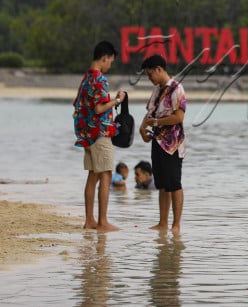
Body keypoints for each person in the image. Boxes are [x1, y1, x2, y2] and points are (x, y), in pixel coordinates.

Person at [73, 40, 126, 231]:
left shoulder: (86, 78)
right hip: (100, 134)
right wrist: (117, 100)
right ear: (104, 58)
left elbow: (78, 104)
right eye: (110, 61)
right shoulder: (100, 79)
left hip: (86, 134)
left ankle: (89, 221)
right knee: (106, 174)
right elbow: (99, 107)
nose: (110, 65)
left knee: (93, 175)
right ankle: (103, 221)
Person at [138, 54, 187, 234]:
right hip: (157, 141)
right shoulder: (157, 90)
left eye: (150, 74)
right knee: (162, 184)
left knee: (174, 182)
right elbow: (150, 113)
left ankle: (176, 224)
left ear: (159, 69)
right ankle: (162, 222)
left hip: (173, 142)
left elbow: (179, 117)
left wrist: (156, 123)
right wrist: (142, 128)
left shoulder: (176, 89)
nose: (149, 78)